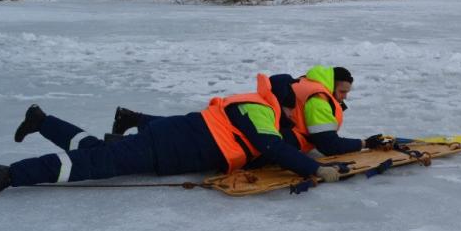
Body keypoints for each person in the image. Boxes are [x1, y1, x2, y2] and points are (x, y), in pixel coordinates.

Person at [0, 73, 346, 199]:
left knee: (93, 150)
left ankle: (41, 121)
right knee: (91, 163)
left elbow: (264, 150)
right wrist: (313, 169)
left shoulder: (264, 111)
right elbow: (270, 146)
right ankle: (13, 173)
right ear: (282, 102)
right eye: (291, 110)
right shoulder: (259, 109)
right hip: (164, 145)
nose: (291, 117)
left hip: (169, 150)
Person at [112, 65, 390, 156]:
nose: (343, 98)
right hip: (271, 132)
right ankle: (127, 139)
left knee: (194, 126)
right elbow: (328, 145)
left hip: (258, 119)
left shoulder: (309, 83)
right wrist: (365, 143)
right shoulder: (319, 100)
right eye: (342, 92)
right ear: (331, 85)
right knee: (194, 135)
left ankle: (134, 120)